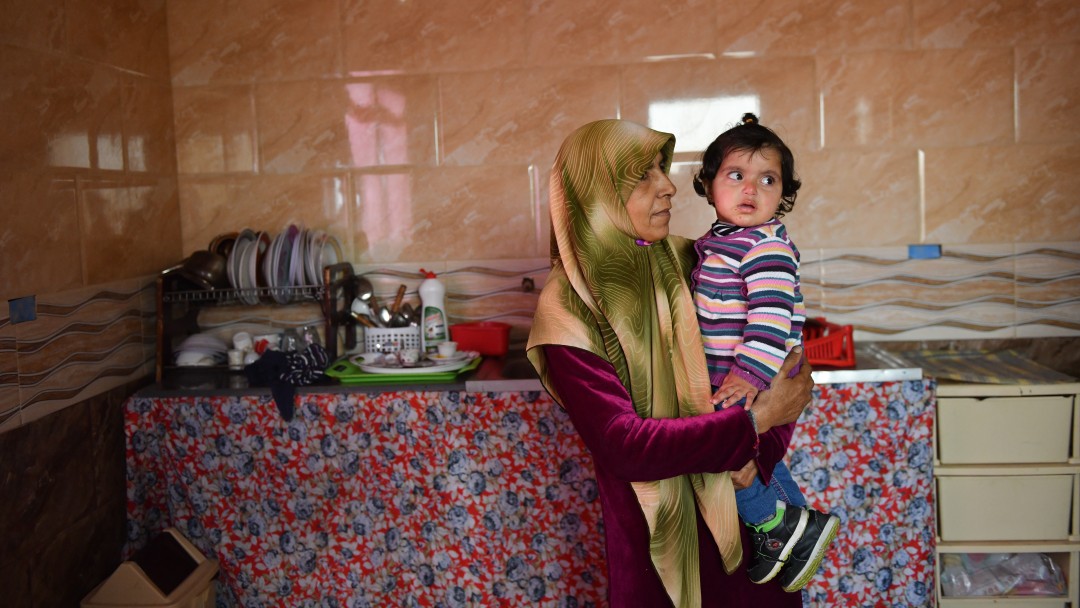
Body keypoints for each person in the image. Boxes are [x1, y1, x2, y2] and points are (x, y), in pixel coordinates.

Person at [526, 118, 815, 608]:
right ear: (596, 192)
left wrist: (756, 454)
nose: (668, 185)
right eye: (644, 173)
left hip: (751, 534)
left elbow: (787, 376)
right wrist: (752, 425)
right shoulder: (570, 308)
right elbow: (625, 446)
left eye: (663, 168)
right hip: (656, 542)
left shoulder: (690, 260)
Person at [690, 113, 839, 592]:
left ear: (783, 194)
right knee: (749, 460)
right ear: (709, 185)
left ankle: (776, 528)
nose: (750, 189)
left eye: (767, 179)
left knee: (727, 460)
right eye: (736, 175)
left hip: (748, 374)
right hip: (732, 373)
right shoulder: (722, 242)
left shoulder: (763, 246)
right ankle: (798, 528)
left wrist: (749, 377)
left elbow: (771, 320)